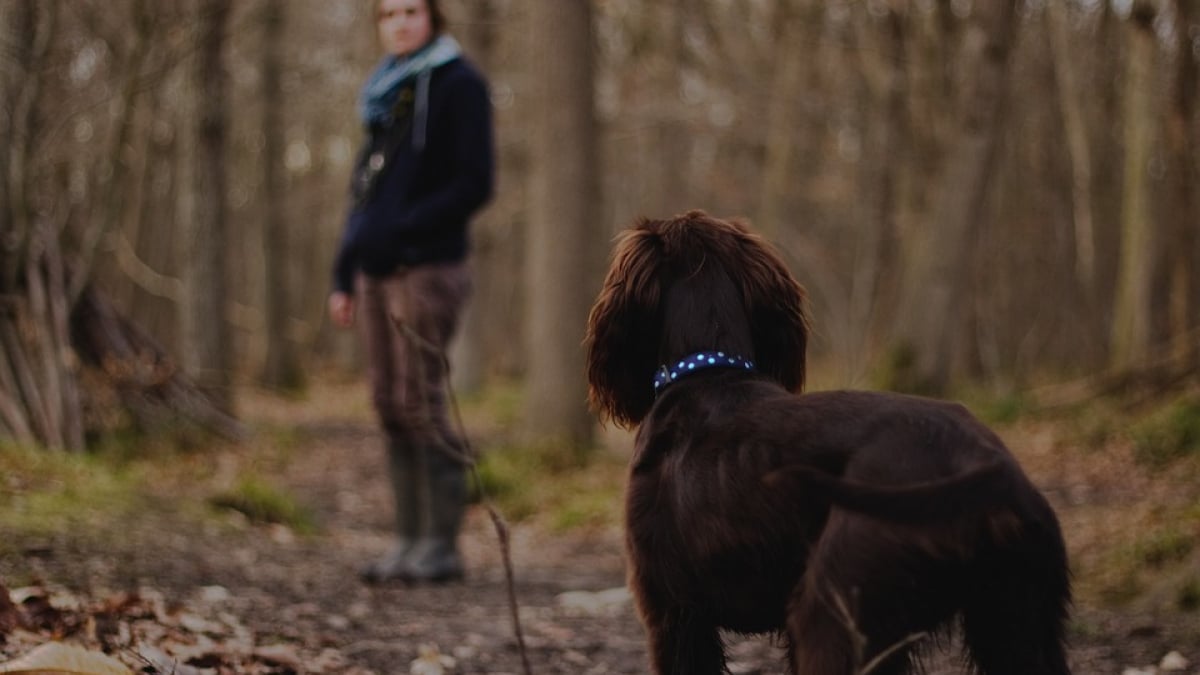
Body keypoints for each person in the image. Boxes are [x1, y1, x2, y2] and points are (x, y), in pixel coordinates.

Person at [329, 0, 494, 584]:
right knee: (388, 404)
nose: (399, 22)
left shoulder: (458, 84)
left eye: (411, 10)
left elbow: (476, 182)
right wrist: (342, 273)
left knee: (422, 401)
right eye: (388, 12)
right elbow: (362, 194)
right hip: (373, 272)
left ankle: (440, 546)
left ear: (433, 17)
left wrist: (405, 229)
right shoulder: (385, 93)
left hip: (426, 268)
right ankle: (406, 540)